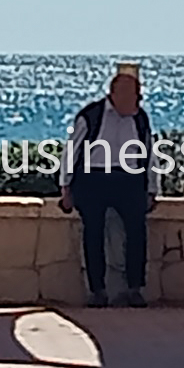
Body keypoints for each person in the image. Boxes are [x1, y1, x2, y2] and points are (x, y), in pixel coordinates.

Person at [58, 72, 157, 307]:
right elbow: (71, 152)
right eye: (134, 95)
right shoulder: (90, 116)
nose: (138, 100)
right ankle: (97, 290)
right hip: (93, 179)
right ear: (116, 94)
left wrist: (152, 188)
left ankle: (135, 288)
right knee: (93, 232)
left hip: (129, 179)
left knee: (137, 231)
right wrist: (66, 187)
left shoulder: (140, 118)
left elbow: (149, 153)